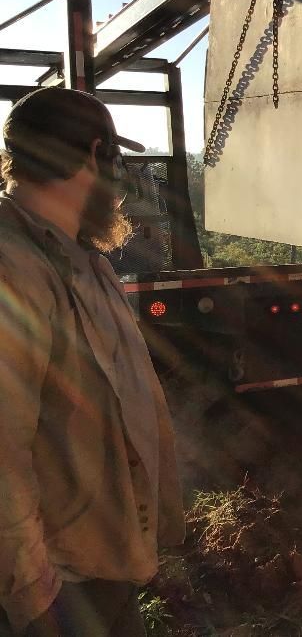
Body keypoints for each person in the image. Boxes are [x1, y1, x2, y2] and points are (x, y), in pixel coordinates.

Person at [0, 88, 184, 636]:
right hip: (59, 592)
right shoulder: (13, 267)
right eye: (115, 160)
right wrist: (35, 601)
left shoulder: (79, 258)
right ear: (94, 155)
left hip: (100, 571)